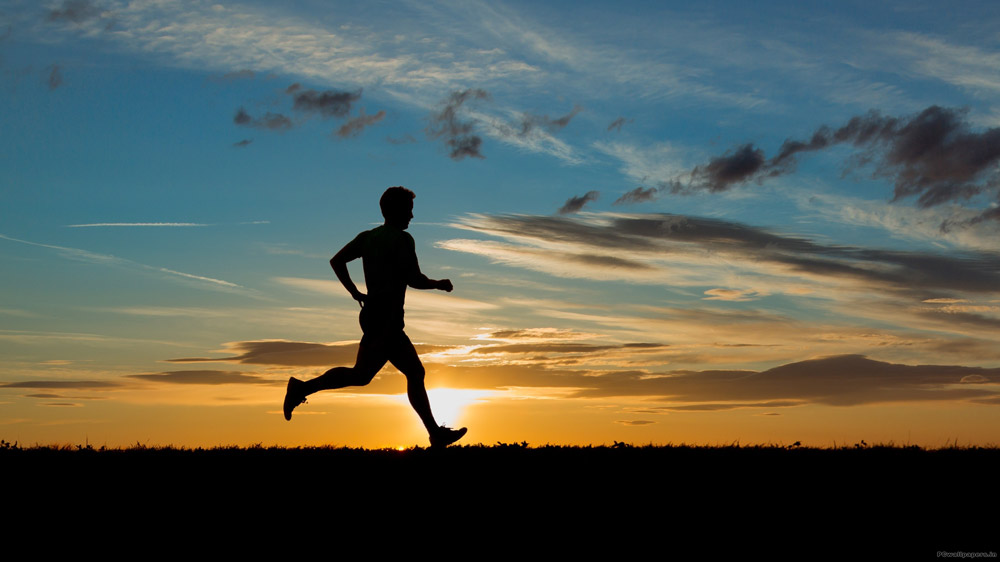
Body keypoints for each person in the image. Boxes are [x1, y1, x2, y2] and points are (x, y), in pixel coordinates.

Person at [283, 186, 467, 448]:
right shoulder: (403, 240)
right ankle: (435, 433)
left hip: (374, 315)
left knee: (376, 374)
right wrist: (439, 284)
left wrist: (355, 292)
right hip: (385, 319)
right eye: (409, 210)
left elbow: (337, 261)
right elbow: (413, 278)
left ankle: (301, 389)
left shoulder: (367, 238)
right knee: (402, 373)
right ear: (395, 211)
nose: (412, 216)